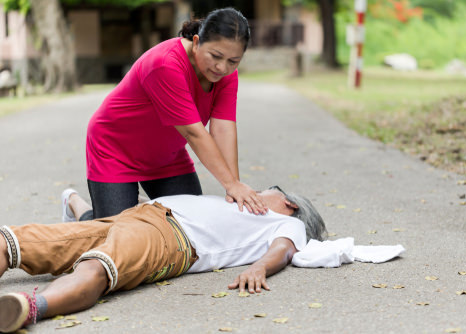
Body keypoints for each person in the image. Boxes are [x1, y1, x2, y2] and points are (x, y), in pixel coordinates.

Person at [0, 186, 326, 333]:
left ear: (287, 203)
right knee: (13, 241)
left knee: (99, 266)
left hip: (172, 237)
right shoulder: (241, 207)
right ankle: (70, 204)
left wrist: (260, 267)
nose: (254, 192)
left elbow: (284, 248)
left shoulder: (287, 222)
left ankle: (28, 308)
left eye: (263, 190)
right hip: (141, 214)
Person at [80, 7, 266, 223]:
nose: (221, 67)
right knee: (113, 235)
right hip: (115, 151)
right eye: (216, 56)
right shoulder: (165, 63)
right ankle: (78, 206)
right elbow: (194, 134)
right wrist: (231, 185)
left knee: (192, 228)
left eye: (233, 61)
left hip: (166, 157)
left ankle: (136, 206)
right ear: (196, 42)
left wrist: (234, 187)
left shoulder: (226, 75)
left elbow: (223, 128)